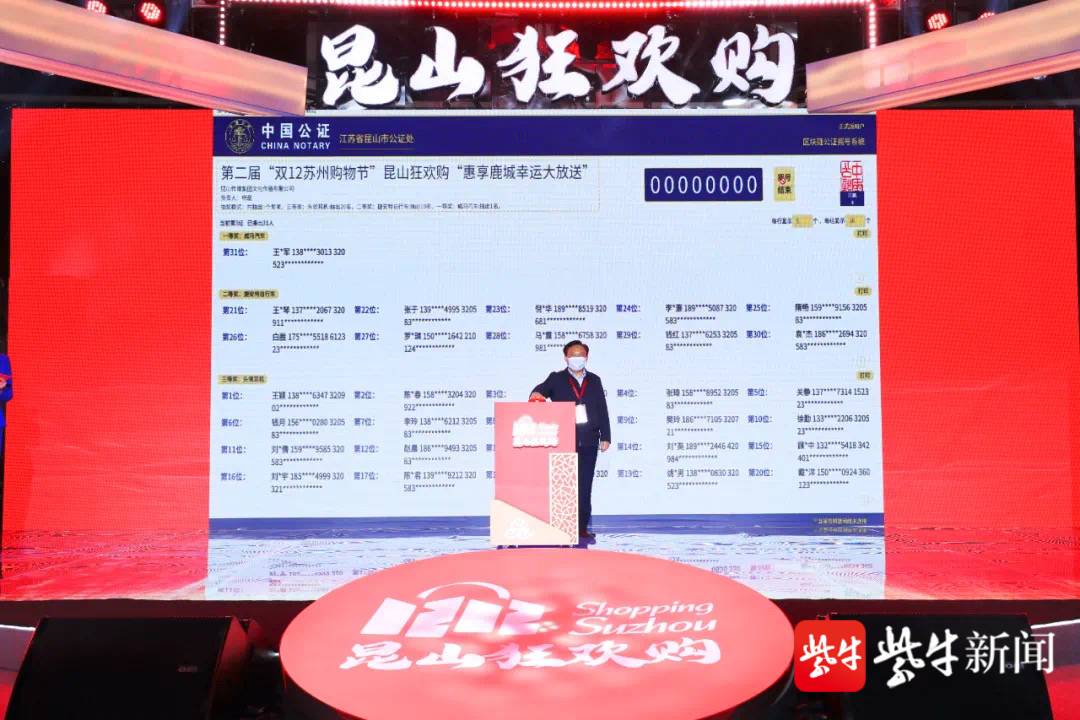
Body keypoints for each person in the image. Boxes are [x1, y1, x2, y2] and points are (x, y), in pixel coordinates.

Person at [529, 340, 610, 541]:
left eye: (580, 355)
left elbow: (602, 408)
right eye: (573, 355)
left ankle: (581, 528)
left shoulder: (595, 380)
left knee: (585, 487)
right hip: (564, 439)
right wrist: (536, 394)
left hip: (589, 440)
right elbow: (539, 391)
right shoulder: (556, 378)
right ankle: (563, 528)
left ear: (586, 357)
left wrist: (606, 436)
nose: (577, 358)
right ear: (566, 358)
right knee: (564, 487)